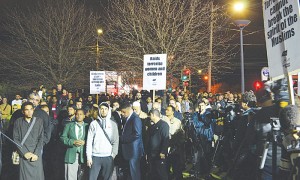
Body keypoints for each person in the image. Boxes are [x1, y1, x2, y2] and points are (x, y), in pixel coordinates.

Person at [86, 102, 119, 180]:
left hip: (108, 157)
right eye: (101, 109)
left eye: (105, 109)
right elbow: (89, 141)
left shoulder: (113, 124)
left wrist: (113, 155)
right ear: (99, 110)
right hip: (95, 157)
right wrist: (89, 157)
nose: (103, 111)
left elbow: (116, 141)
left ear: (108, 110)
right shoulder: (93, 124)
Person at [13, 102, 44, 180]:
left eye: (31, 109)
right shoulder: (18, 122)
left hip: (36, 154)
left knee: (38, 176)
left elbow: (41, 139)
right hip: (24, 154)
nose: (29, 112)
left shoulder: (39, 121)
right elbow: (16, 139)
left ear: (33, 110)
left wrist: (36, 154)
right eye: (27, 110)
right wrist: (24, 153)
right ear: (23, 111)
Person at [61, 109, 88, 180]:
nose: (79, 116)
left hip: (84, 155)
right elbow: (63, 138)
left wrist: (85, 142)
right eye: (77, 114)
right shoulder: (69, 125)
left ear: (84, 116)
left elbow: (92, 139)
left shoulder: (87, 126)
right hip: (71, 154)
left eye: (81, 114)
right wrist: (72, 142)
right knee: (70, 177)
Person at [120, 101, 144, 180]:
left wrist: (123, 139)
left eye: (124, 112)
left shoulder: (135, 118)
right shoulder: (128, 118)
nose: (122, 114)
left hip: (134, 150)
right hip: (129, 150)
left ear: (129, 109)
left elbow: (137, 134)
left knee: (134, 173)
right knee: (130, 173)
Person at [147, 108, 169, 180]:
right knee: (153, 173)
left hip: (159, 155)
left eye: (150, 115)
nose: (149, 117)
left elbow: (165, 139)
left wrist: (163, 152)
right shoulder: (151, 126)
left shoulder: (164, 125)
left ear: (153, 115)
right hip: (152, 154)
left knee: (161, 174)